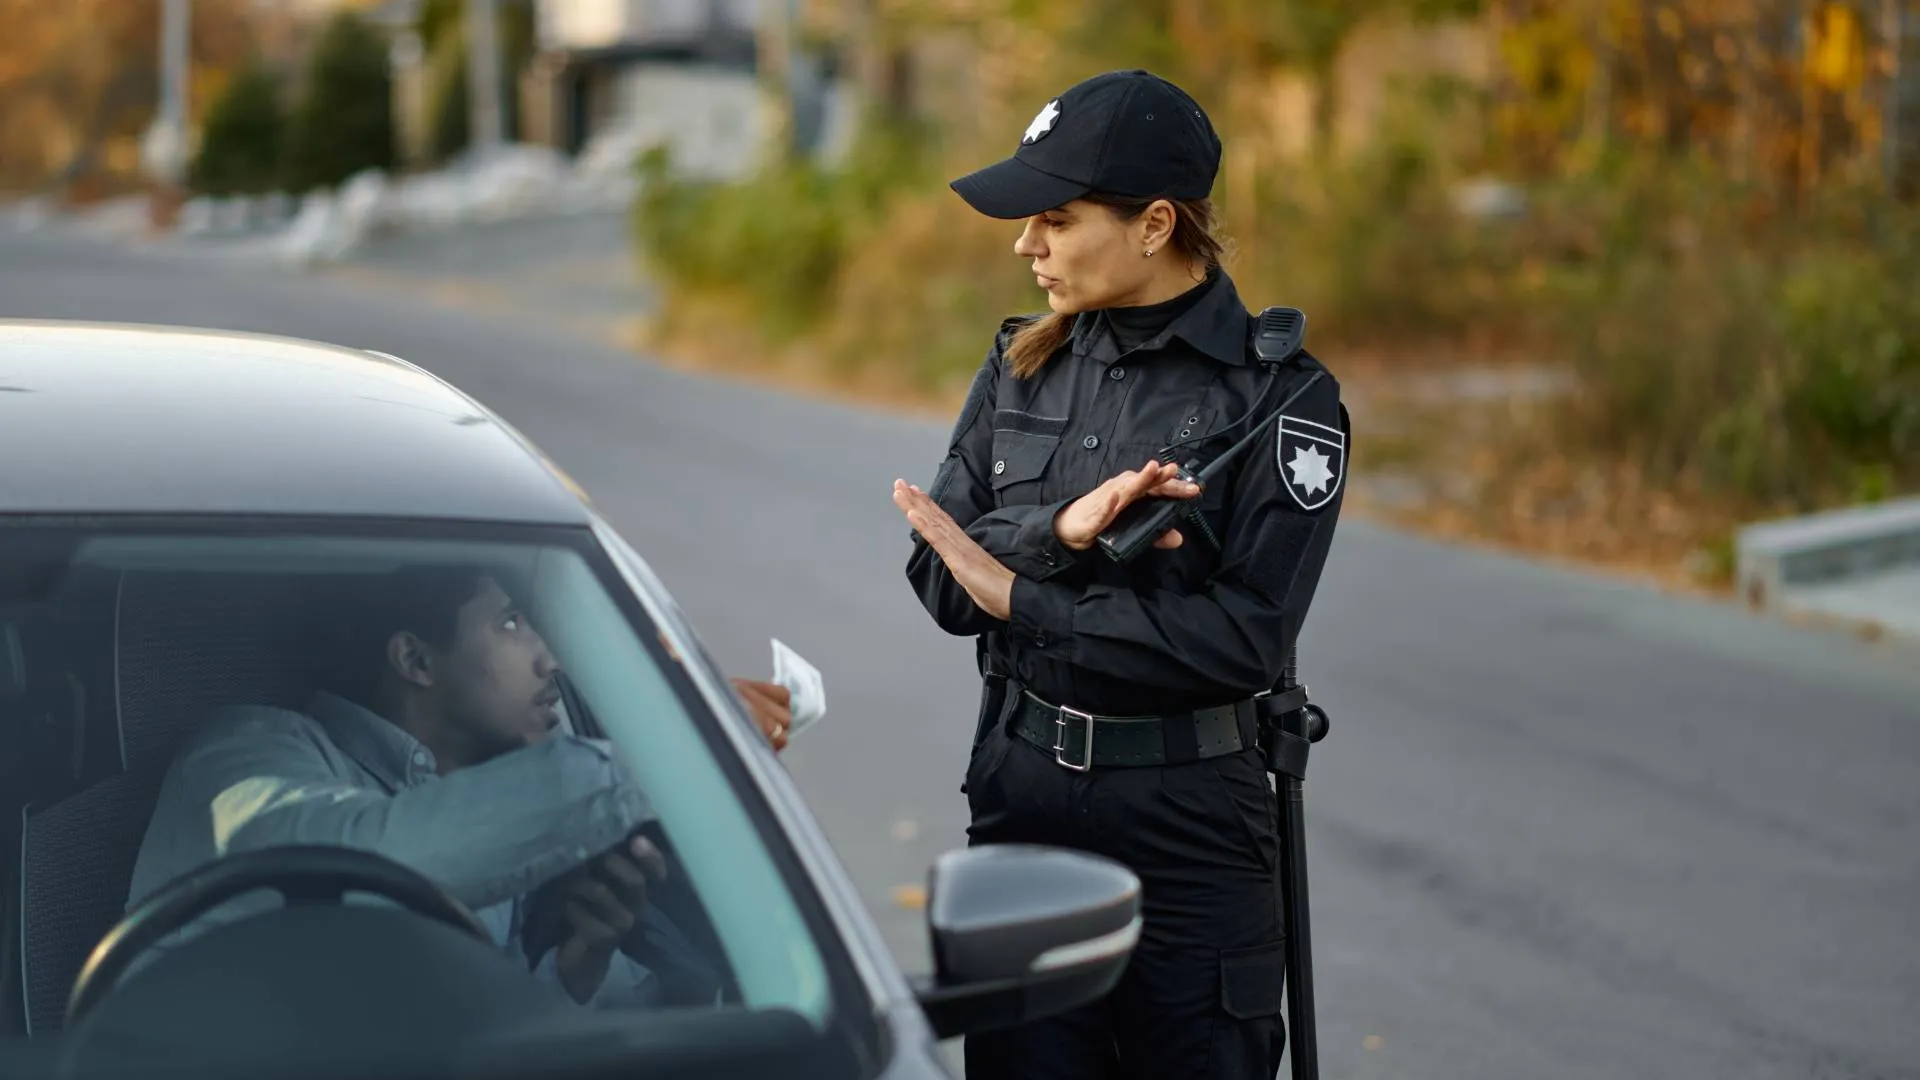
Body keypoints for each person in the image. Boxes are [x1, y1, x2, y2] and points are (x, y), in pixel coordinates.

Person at [893, 69, 1348, 1080]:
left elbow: (1244, 640)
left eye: (1055, 217)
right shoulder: (1021, 362)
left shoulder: (1279, 401)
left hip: (1194, 831)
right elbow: (937, 579)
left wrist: (1022, 595)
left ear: (1153, 225)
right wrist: (1058, 528)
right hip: (1025, 808)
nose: (1026, 244)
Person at [127, 563, 790, 1007]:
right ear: (416, 659)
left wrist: (577, 965)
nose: (550, 659)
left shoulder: (487, 788)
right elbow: (354, 868)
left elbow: (466, 1027)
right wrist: (678, 752)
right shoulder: (247, 750)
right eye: (510, 624)